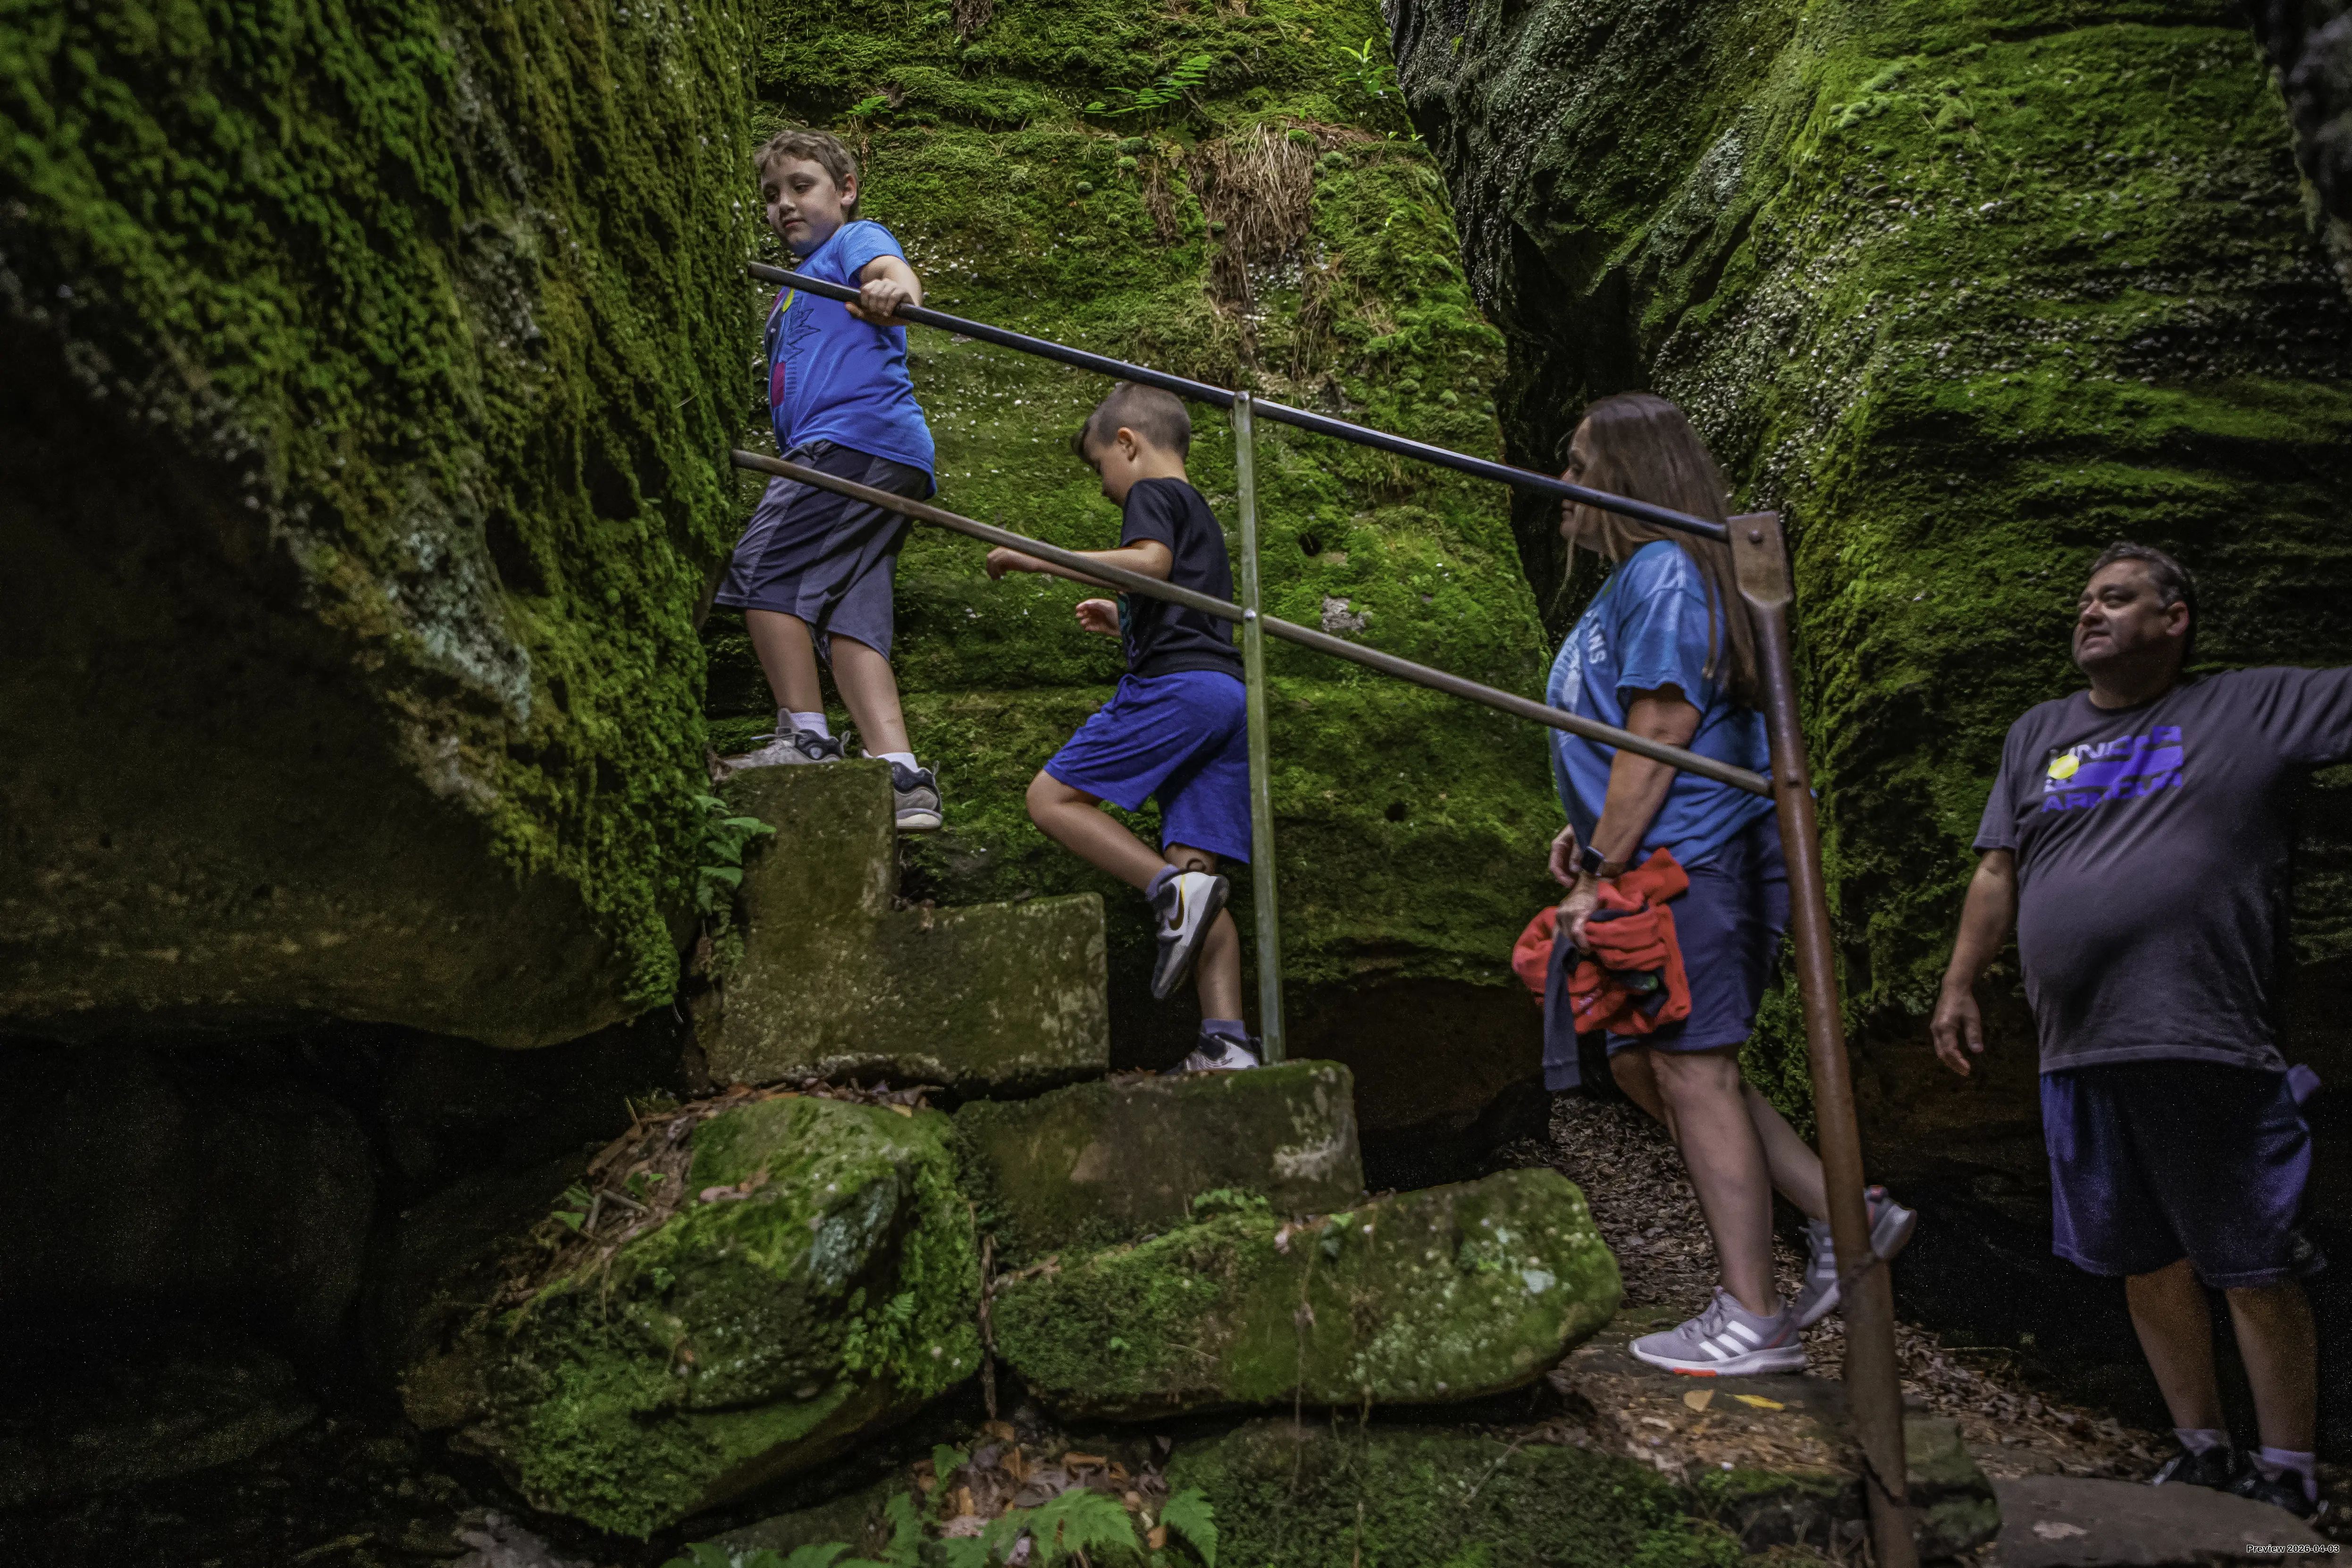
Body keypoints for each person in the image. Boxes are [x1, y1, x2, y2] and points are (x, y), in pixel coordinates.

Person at [1933, 542, 2338, 1518]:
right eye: (2083, 600)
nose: (2089, 613)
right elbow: (1997, 871)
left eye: (2115, 599)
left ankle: (2285, 1467)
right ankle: (2198, 1448)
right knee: (2140, 1257)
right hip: (2076, 1046)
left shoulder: (2249, 707)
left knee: (2249, 1258)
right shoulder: (2038, 733)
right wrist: (1957, 981)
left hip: (2201, 1036)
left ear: (2173, 618)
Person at [1546, 392, 1913, 1375]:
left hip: (1693, 857)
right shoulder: (1633, 580)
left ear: (1631, 473)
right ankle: (1845, 1212)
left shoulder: (1665, 570)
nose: (1564, 488)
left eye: (1580, 466)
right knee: (1643, 1062)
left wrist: (1599, 865)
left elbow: (1659, 730)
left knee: (1689, 1067)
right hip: (1660, 847)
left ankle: (1752, 1317)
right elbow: (1634, 735)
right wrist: (1581, 823)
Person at [983, 383, 1256, 1072]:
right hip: (1223, 695)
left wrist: (1038, 556)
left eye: (1102, 467)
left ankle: (1167, 889)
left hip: (1177, 691)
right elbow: (1174, 595)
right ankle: (1227, 1041)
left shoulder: (1152, 494)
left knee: (1050, 799)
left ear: (1129, 443)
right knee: (1202, 874)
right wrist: (1124, 615)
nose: (1106, 487)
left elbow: (1151, 564)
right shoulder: (1199, 513)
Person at [716, 128, 944, 833]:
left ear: (844, 190)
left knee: (762, 568)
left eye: (802, 186)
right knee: (852, 613)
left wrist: (889, 291)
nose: (785, 204)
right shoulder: (789, 293)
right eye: (771, 196)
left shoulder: (849, 244)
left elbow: (893, 271)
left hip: (853, 443)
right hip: (882, 456)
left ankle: (806, 737)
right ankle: (901, 775)